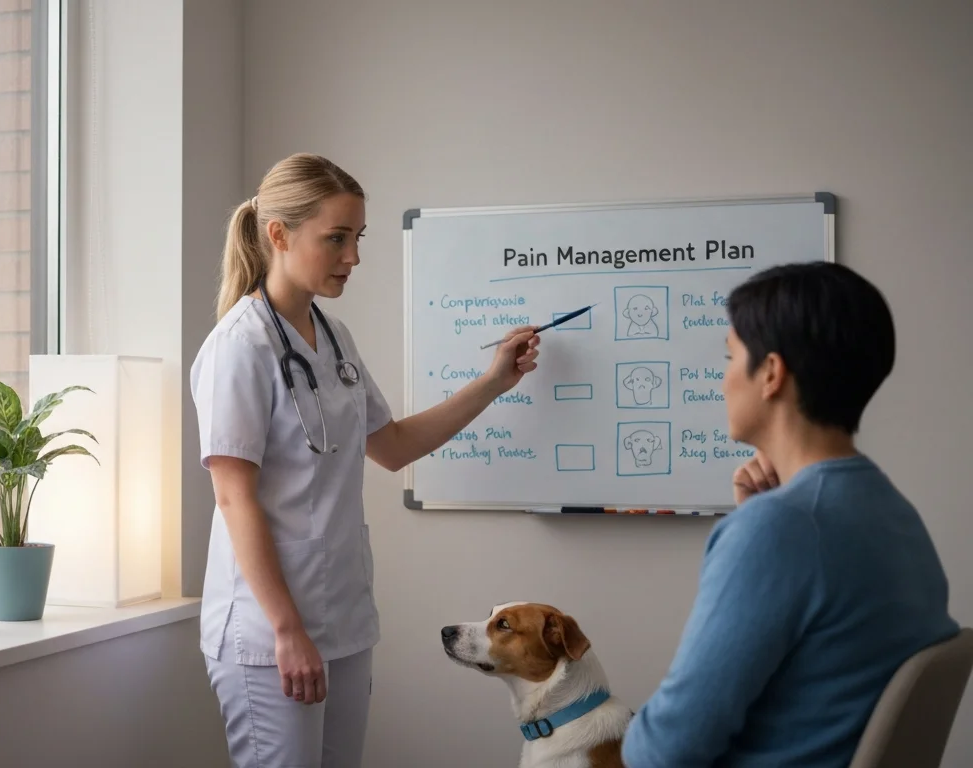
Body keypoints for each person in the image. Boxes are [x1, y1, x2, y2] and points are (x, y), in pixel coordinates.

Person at [189, 153, 541, 767]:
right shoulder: (237, 348)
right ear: (279, 235)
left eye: (357, 238)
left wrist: (494, 382)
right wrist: (286, 629)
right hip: (271, 629)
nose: (353, 257)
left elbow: (395, 445)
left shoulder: (333, 337)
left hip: (342, 616)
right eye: (337, 239)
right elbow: (233, 497)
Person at [622, 262, 959, 767]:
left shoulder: (780, 530)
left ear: (772, 374)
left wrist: (760, 529)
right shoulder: (892, 513)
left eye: (729, 357)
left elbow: (663, 753)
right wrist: (764, 521)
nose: (722, 380)